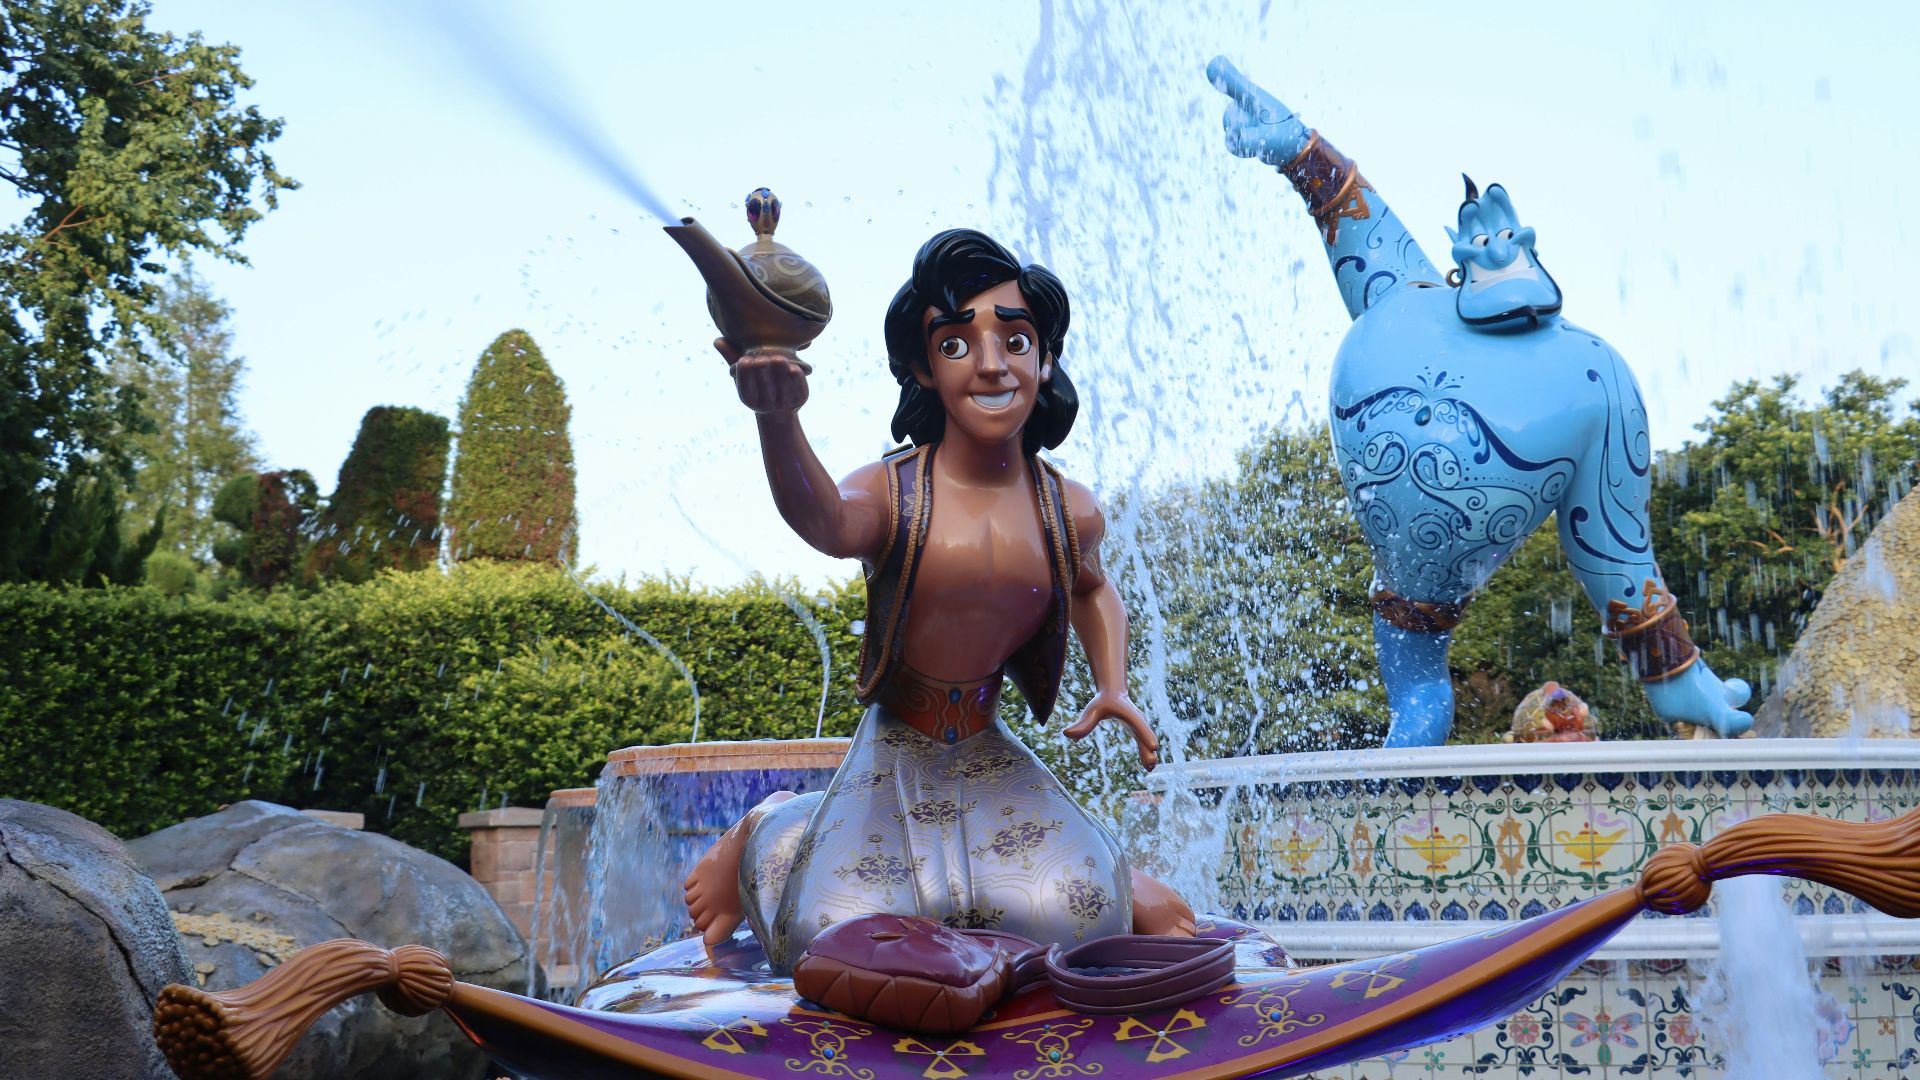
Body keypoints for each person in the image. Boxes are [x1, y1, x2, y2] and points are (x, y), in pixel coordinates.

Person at [682, 228, 1194, 973]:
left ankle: (1113, 876)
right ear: (923, 368)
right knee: (823, 933)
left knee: (1085, 913)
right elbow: (824, 522)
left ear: (1044, 358)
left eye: (1015, 340)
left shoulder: (1066, 508)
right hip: (897, 743)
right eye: (957, 346)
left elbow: (1092, 587)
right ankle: (772, 830)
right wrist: (776, 418)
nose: (992, 365)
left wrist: (1112, 684)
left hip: (986, 744)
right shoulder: (891, 492)